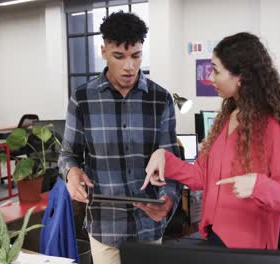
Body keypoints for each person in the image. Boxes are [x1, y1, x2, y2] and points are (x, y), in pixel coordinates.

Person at [141, 32, 280, 249]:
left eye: (216, 71)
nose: (210, 78)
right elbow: (201, 176)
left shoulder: (273, 128)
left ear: (241, 78)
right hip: (214, 236)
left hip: (249, 248)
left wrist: (258, 185)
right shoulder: (225, 119)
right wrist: (164, 157)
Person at [58, 11, 182, 264]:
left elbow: (172, 163)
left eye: (136, 56)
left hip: (148, 225)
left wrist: (168, 200)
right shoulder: (82, 99)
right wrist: (71, 173)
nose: (129, 66)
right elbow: (68, 155)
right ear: (104, 52)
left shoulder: (160, 99)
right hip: (105, 226)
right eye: (119, 56)